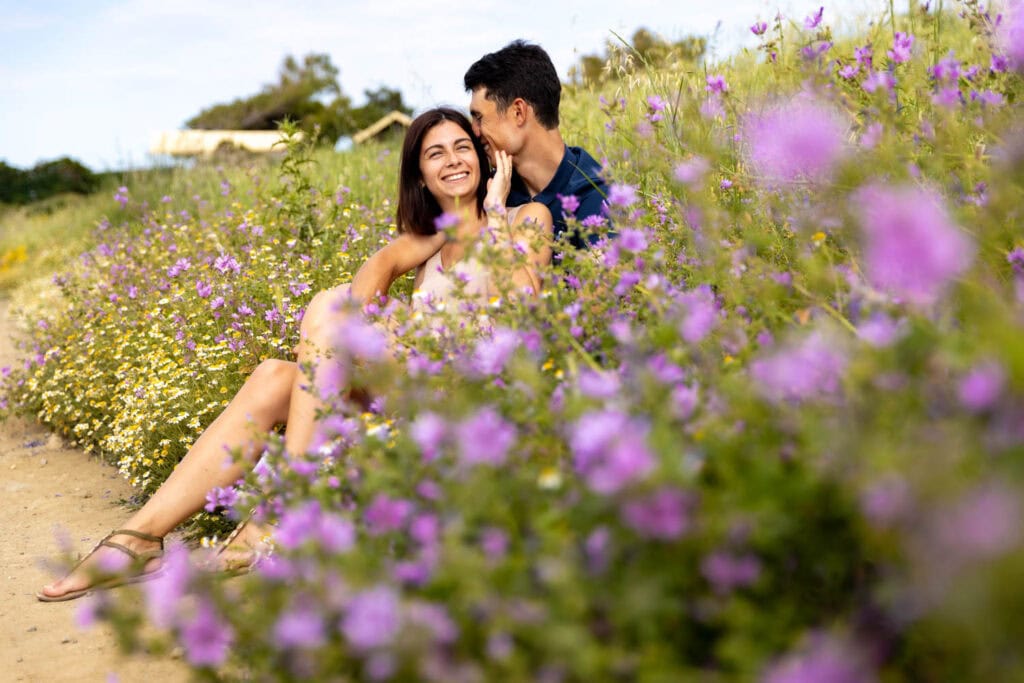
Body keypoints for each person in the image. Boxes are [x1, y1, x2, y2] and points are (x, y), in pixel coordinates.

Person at [37, 107, 552, 602]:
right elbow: (356, 308)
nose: (454, 159)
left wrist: (493, 214)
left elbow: (526, 311)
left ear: (486, 161)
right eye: (435, 154)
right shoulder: (424, 247)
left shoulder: (527, 216)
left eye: (464, 146)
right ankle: (141, 538)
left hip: (474, 399)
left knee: (329, 311)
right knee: (273, 376)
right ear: (420, 176)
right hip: (410, 395)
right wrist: (412, 248)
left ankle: (282, 509)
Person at [464, 40, 610, 250]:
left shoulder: (597, 196)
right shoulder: (493, 188)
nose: (474, 131)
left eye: (479, 117)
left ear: (518, 113)